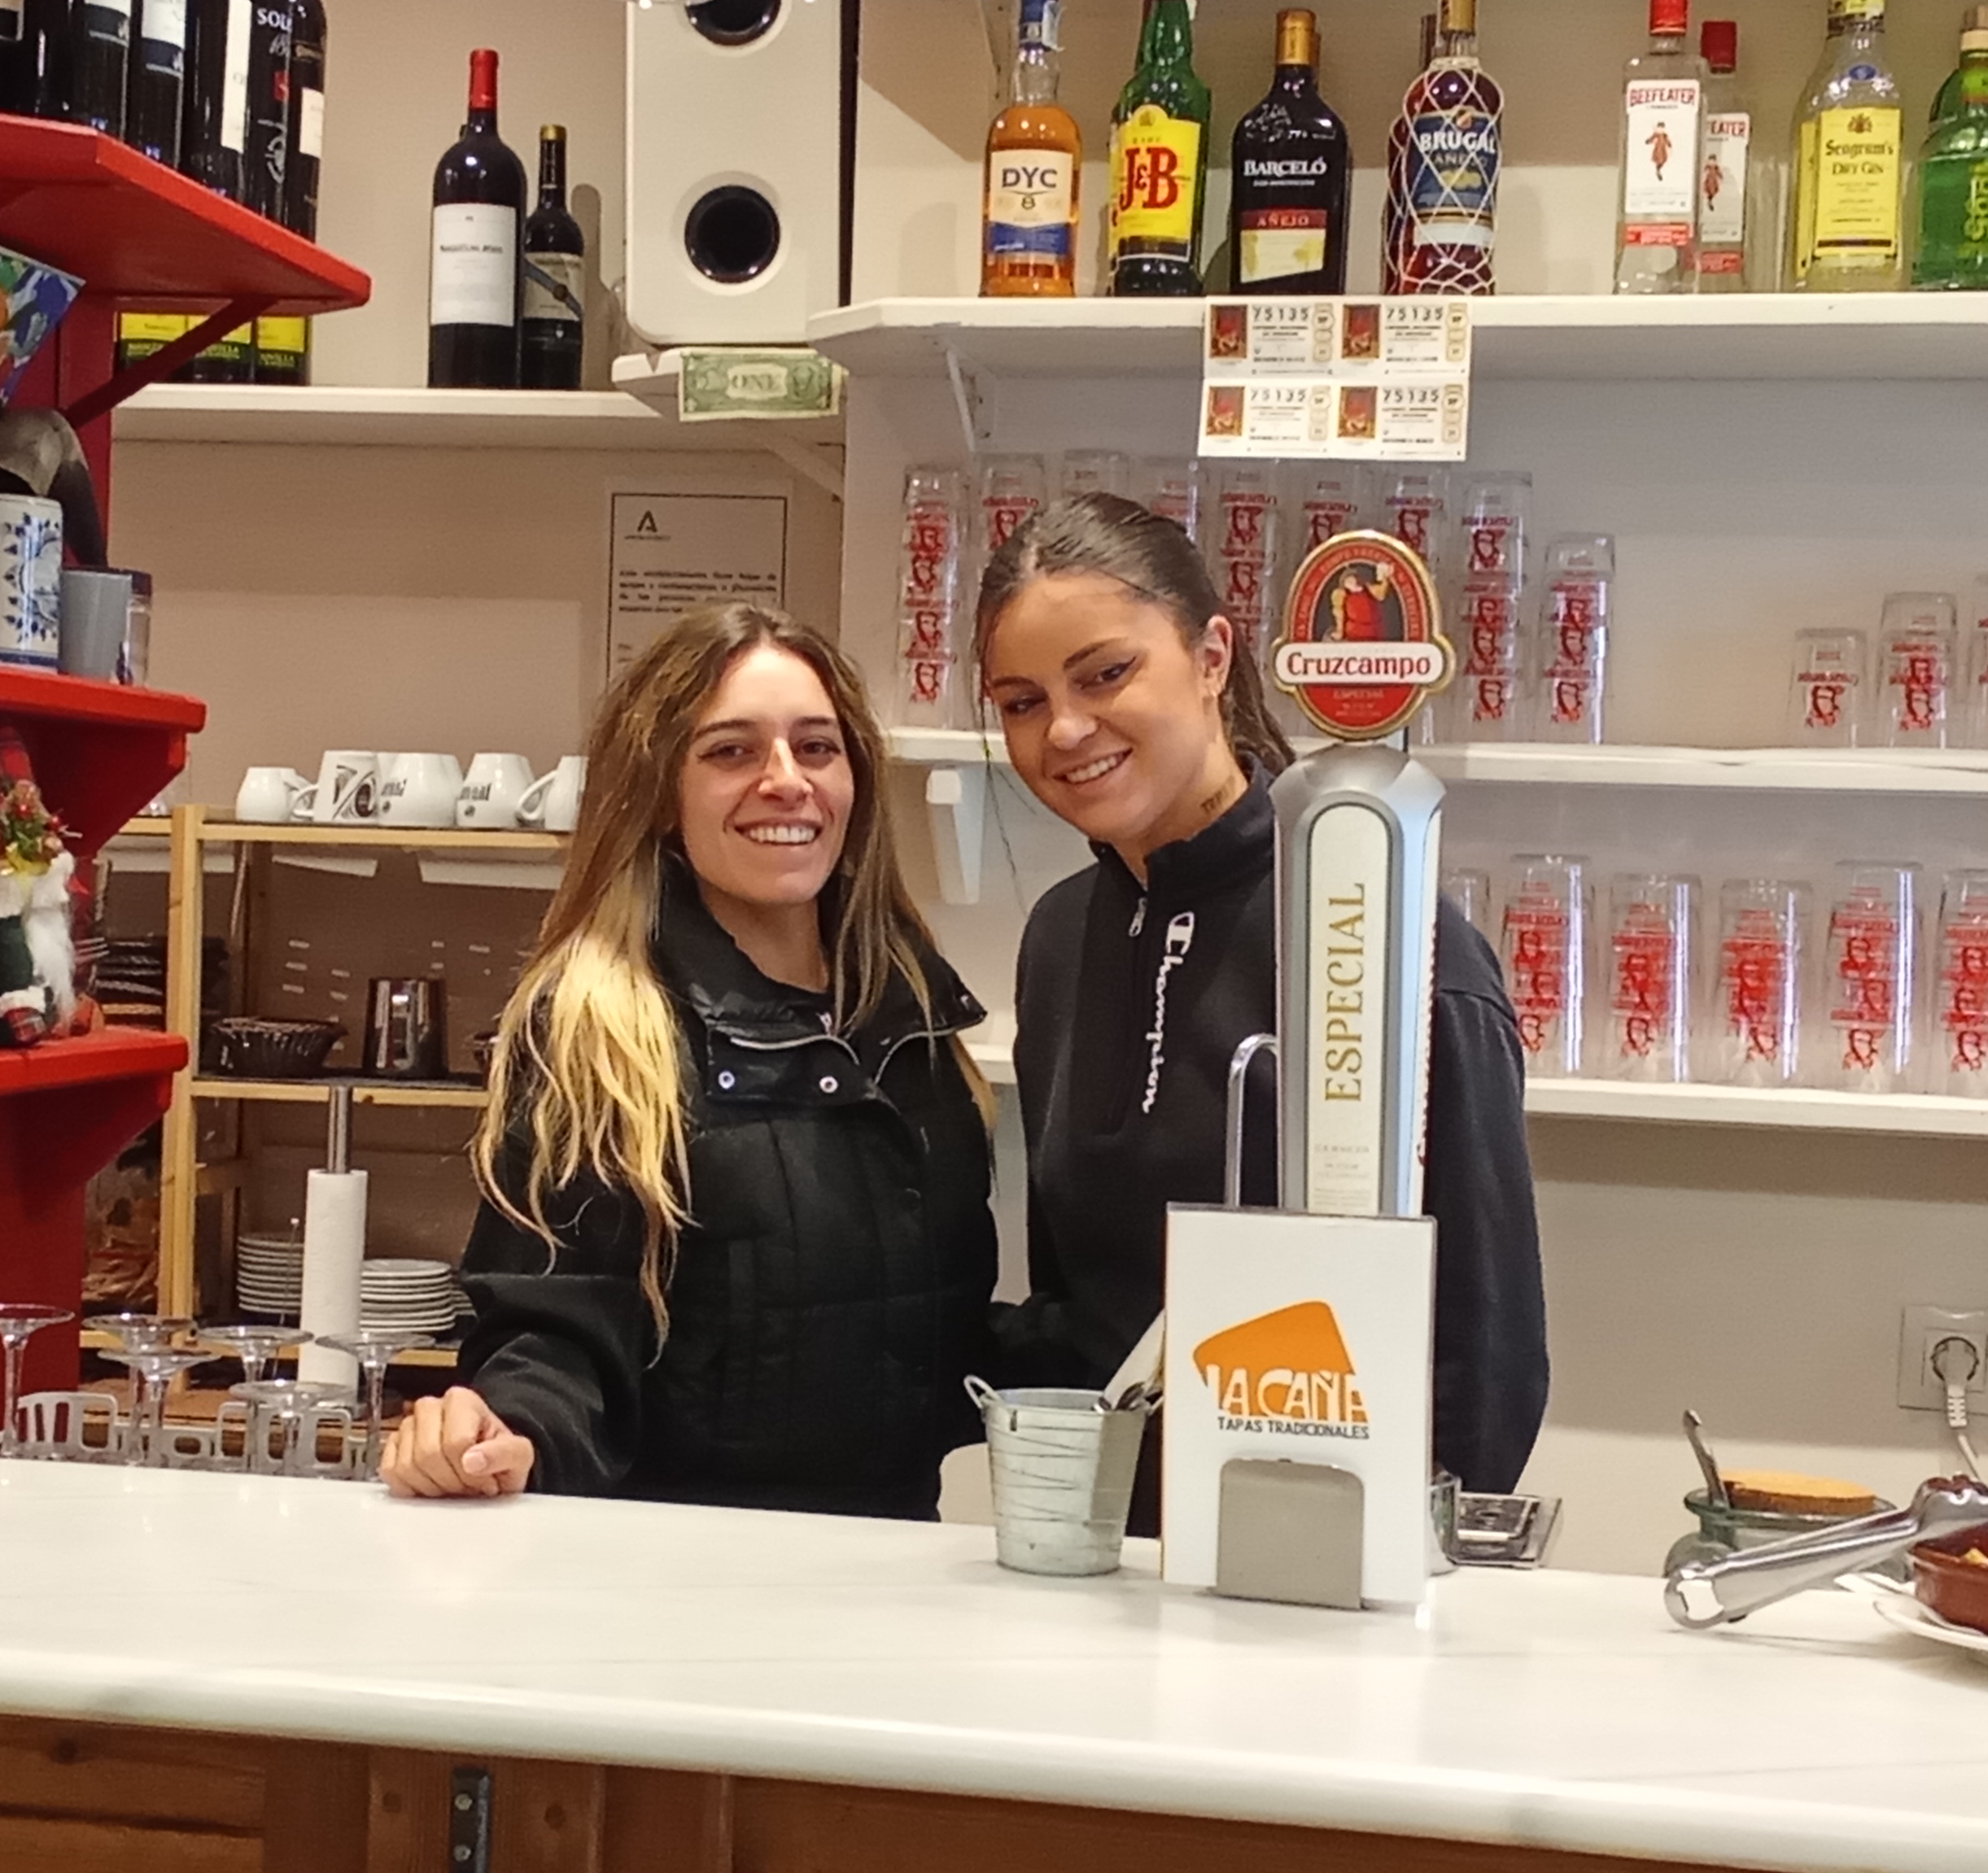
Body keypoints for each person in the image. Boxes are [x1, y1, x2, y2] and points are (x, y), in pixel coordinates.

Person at [977, 494, 1548, 1503]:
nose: (1065, 729)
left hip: (1315, 1572)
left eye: (1107, 673)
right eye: (1021, 701)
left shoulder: (1379, 932)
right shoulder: (1062, 936)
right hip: (1104, 1559)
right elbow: (1079, 1315)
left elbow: (1486, 1368)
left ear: (1212, 657)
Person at [380, 604, 994, 1519]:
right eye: (732, 752)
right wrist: (506, 1428)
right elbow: (555, 1325)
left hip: (897, 1555)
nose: (787, 782)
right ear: (660, 792)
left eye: (817, 748)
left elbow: (933, 1319)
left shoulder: (907, 1003)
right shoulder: (602, 1022)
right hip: (675, 1571)